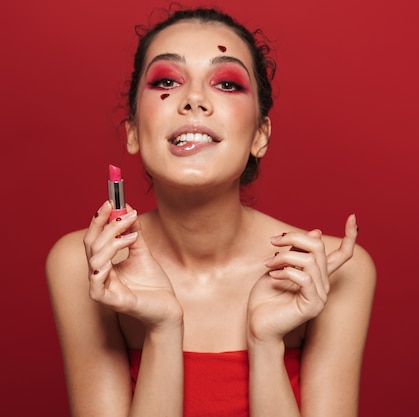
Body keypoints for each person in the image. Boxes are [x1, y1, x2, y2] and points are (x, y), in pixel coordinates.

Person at [46, 6, 376, 417]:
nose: (195, 100)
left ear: (260, 135)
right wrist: (163, 328)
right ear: (133, 132)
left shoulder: (333, 269)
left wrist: (265, 342)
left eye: (226, 84)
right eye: (166, 81)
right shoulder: (84, 266)